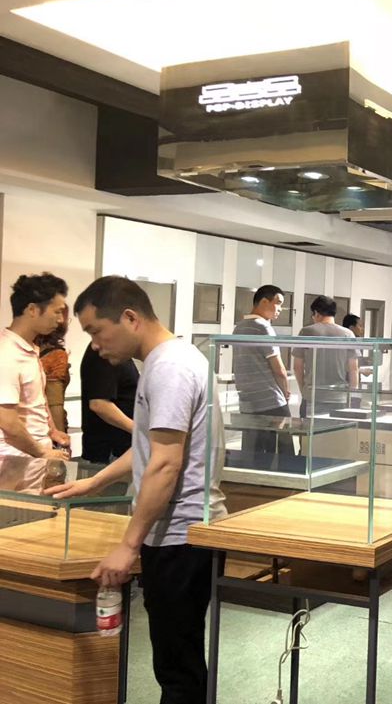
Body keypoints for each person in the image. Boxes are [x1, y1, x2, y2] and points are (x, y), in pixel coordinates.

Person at [48, 276, 226, 704]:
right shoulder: (172, 359)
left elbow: (166, 463)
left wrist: (128, 546)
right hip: (181, 534)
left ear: (130, 318)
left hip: (181, 536)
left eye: (96, 331)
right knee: (177, 660)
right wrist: (95, 481)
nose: (95, 345)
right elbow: (149, 446)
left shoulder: (168, 368)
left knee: (177, 668)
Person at [0, 273, 71, 492]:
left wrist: (52, 430)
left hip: (30, 459)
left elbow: (36, 398)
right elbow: (8, 422)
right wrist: (42, 452)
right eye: (56, 311)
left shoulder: (29, 349)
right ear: (32, 309)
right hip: (14, 461)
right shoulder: (7, 353)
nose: (60, 320)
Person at [231, 285, 293, 465]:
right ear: (264, 301)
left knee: (255, 451)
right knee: (285, 449)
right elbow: (278, 369)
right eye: (278, 303)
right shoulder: (263, 327)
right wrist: (286, 392)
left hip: (248, 400)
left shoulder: (239, 327)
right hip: (270, 399)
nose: (280, 309)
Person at [291, 295, 358, 416]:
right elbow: (353, 369)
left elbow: (297, 367)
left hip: (312, 396)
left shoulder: (307, 332)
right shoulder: (348, 334)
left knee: (309, 428)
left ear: (316, 313)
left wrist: (304, 390)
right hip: (339, 397)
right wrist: (353, 396)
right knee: (336, 428)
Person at [80, 342, 139, 464]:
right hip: (110, 451)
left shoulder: (118, 353)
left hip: (118, 449)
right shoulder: (104, 352)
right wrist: (140, 431)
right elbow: (99, 404)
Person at [36, 314, 71, 433]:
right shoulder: (56, 356)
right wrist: (60, 437)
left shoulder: (24, 351)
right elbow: (55, 403)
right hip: (47, 428)